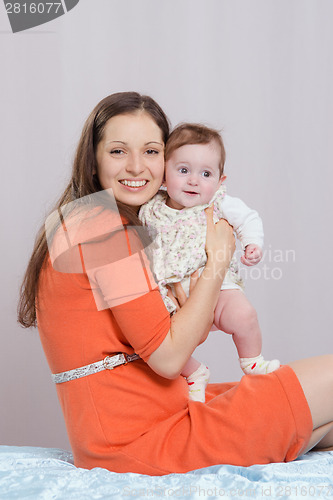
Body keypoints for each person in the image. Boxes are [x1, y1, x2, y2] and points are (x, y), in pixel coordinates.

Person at [18, 92, 333, 475]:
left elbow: (164, 338)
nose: (136, 167)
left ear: (166, 160)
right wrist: (219, 256)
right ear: (93, 158)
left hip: (153, 421)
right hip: (149, 441)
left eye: (151, 151)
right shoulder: (100, 228)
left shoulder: (88, 220)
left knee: (315, 418)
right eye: (118, 151)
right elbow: (168, 358)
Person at [139, 123, 280, 402]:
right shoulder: (150, 208)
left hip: (218, 286)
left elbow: (248, 218)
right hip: (172, 292)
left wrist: (253, 243)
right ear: (164, 177)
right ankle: (195, 372)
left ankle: (251, 360)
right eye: (183, 171)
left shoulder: (217, 202)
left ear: (219, 181)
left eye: (206, 174)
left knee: (244, 315)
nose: (194, 181)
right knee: (154, 339)